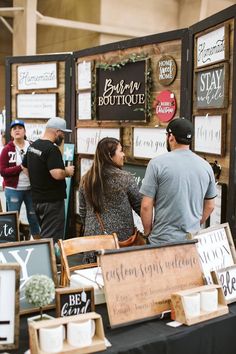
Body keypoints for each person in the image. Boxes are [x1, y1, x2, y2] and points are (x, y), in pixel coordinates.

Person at [140, 117, 217, 245]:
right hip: (191, 241)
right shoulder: (206, 166)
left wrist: (147, 233)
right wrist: (195, 224)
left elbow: (146, 206)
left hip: (162, 241)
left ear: (171, 137)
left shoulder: (156, 164)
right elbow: (210, 205)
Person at [78, 137, 142, 241]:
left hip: (92, 239)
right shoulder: (125, 178)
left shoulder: (86, 179)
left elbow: (82, 211)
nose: (123, 155)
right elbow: (140, 206)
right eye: (121, 151)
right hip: (119, 239)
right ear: (110, 155)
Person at [22, 117, 75, 242]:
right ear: (57, 132)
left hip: (37, 200)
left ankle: (48, 260)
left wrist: (38, 179)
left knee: (45, 234)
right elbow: (57, 174)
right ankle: (48, 261)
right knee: (51, 239)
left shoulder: (33, 146)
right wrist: (67, 171)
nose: (63, 137)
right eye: (63, 133)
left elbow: (24, 167)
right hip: (52, 203)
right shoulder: (52, 149)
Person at [0, 119, 40, 239]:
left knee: (33, 217)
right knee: (12, 219)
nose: (17, 130)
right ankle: (11, 245)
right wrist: (20, 168)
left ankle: (39, 245)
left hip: (31, 189)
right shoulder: (7, 149)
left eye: (20, 128)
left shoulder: (32, 146)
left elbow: (38, 165)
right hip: (13, 189)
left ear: (24, 131)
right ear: (11, 133)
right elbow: (2, 171)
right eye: (14, 128)